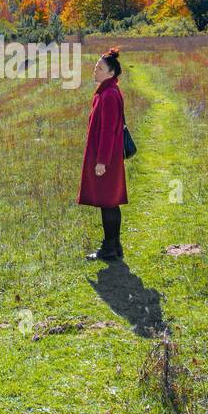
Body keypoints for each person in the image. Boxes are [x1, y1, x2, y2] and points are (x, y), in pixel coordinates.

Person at [78, 46, 127, 260]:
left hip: (106, 157)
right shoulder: (107, 91)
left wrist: (101, 161)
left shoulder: (108, 94)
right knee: (110, 201)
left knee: (108, 201)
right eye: (95, 66)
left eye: (100, 68)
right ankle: (114, 246)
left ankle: (109, 248)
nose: (95, 70)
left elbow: (107, 130)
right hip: (109, 156)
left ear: (111, 73)